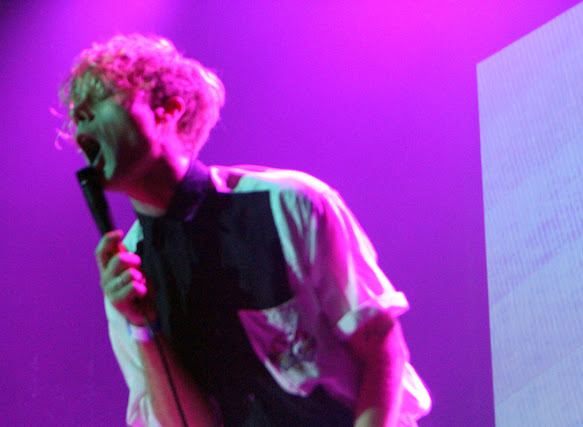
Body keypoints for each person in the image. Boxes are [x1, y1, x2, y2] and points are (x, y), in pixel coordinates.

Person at [61, 33, 431, 427]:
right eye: (76, 112)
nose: (79, 117)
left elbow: (379, 344)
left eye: (100, 98)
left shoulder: (287, 203)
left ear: (167, 109)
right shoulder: (128, 269)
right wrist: (142, 326)